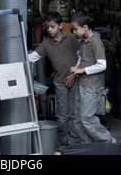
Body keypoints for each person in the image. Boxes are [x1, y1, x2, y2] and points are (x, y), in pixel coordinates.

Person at [28, 11, 81, 150]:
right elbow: (31, 57)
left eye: (52, 26)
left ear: (60, 26)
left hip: (76, 80)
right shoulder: (46, 44)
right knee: (62, 114)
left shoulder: (71, 38)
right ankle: (64, 141)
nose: (50, 30)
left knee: (74, 112)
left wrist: (74, 74)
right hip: (60, 82)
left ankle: (74, 141)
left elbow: (81, 57)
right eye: (48, 27)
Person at [70, 11, 116, 144]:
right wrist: (77, 67)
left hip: (91, 87)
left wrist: (82, 69)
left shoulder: (96, 43)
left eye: (75, 29)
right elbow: (82, 57)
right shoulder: (83, 42)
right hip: (81, 83)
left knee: (86, 118)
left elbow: (102, 65)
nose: (74, 32)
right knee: (78, 120)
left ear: (85, 27)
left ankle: (107, 140)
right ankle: (90, 145)